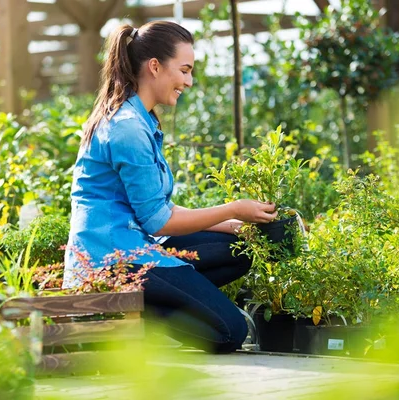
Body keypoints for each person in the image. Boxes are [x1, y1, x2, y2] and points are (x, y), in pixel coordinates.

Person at [63, 21, 277, 353]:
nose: (189, 82)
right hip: (113, 258)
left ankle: (166, 300)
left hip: (137, 242)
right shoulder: (127, 128)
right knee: (228, 333)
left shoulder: (141, 120)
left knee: (239, 247)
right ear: (154, 67)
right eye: (185, 70)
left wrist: (230, 223)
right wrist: (235, 207)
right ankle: (140, 313)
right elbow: (159, 222)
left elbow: (160, 212)